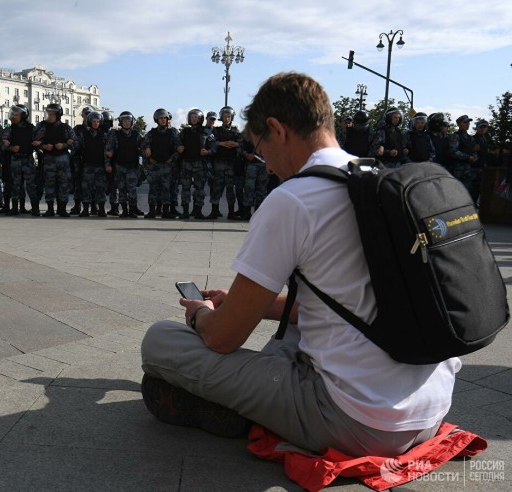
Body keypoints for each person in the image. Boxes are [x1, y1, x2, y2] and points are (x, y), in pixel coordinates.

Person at [141, 72, 459, 458]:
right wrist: (247, 302)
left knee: (160, 340)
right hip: (430, 407)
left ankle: (242, 406)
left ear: (276, 129)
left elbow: (223, 339)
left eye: (260, 148)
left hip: (357, 422)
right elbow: (342, 301)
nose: (267, 165)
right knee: (286, 334)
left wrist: (201, 315)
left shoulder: (294, 198)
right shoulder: (376, 180)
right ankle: (257, 393)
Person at [32, 103, 76, 217]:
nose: (49, 116)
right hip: (48, 159)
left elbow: (76, 143)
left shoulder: (66, 128)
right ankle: (50, 208)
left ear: (58, 115)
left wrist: (64, 145)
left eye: (52, 114)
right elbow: (34, 141)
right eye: (48, 114)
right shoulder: (42, 127)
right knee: (49, 184)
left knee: (64, 184)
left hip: (63, 159)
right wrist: (43, 147)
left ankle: (62, 208)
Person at [142, 108, 181, 219]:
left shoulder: (172, 133)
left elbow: (178, 149)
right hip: (154, 166)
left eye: (165, 118)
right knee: (153, 189)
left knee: (166, 189)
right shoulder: (151, 133)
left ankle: (166, 211)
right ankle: (152, 211)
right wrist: (147, 151)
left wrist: (172, 159)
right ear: (156, 120)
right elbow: (143, 147)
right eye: (161, 118)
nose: (163, 120)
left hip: (167, 166)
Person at [2, 104, 38, 216]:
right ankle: (14, 208)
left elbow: (38, 143)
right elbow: (2, 144)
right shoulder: (10, 129)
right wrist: (10, 147)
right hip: (15, 159)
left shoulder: (32, 128)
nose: (13, 117)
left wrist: (36, 145)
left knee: (31, 184)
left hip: (27, 159)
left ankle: (35, 208)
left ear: (23, 115)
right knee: (15, 184)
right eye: (13, 114)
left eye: (16, 115)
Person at [208, 106, 243, 219]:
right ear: (221, 118)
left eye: (228, 116)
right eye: (224, 116)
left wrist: (236, 144)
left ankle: (231, 212)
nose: (226, 118)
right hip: (219, 163)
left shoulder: (236, 132)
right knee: (217, 187)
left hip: (231, 163)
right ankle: (214, 211)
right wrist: (220, 144)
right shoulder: (216, 131)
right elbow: (210, 141)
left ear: (231, 118)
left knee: (230, 188)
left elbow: (242, 144)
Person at [106, 111, 142, 218]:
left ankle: (132, 210)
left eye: (128, 121)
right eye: (124, 121)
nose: (127, 123)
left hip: (132, 167)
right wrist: (108, 164)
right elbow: (108, 150)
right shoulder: (114, 135)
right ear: (121, 122)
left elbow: (144, 148)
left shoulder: (136, 135)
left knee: (132, 190)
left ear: (132, 122)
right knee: (121, 189)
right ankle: (124, 210)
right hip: (119, 167)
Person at [177, 108, 212, 219]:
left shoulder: (206, 131)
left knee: (199, 189)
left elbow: (214, 145)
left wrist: (208, 151)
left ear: (200, 119)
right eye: (192, 117)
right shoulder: (184, 132)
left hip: (200, 164)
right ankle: (186, 211)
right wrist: (178, 147)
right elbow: (176, 143)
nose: (193, 119)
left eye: (196, 117)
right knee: (185, 188)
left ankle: (198, 211)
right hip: (186, 163)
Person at [78, 111, 109, 217]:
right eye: (94, 121)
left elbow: (108, 151)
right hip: (88, 165)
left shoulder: (104, 135)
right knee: (86, 188)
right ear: (90, 122)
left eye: (98, 121)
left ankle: (101, 209)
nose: (96, 123)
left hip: (100, 166)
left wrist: (107, 164)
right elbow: (78, 149)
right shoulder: (83, 135)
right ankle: (86, 209)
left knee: (101, 188)